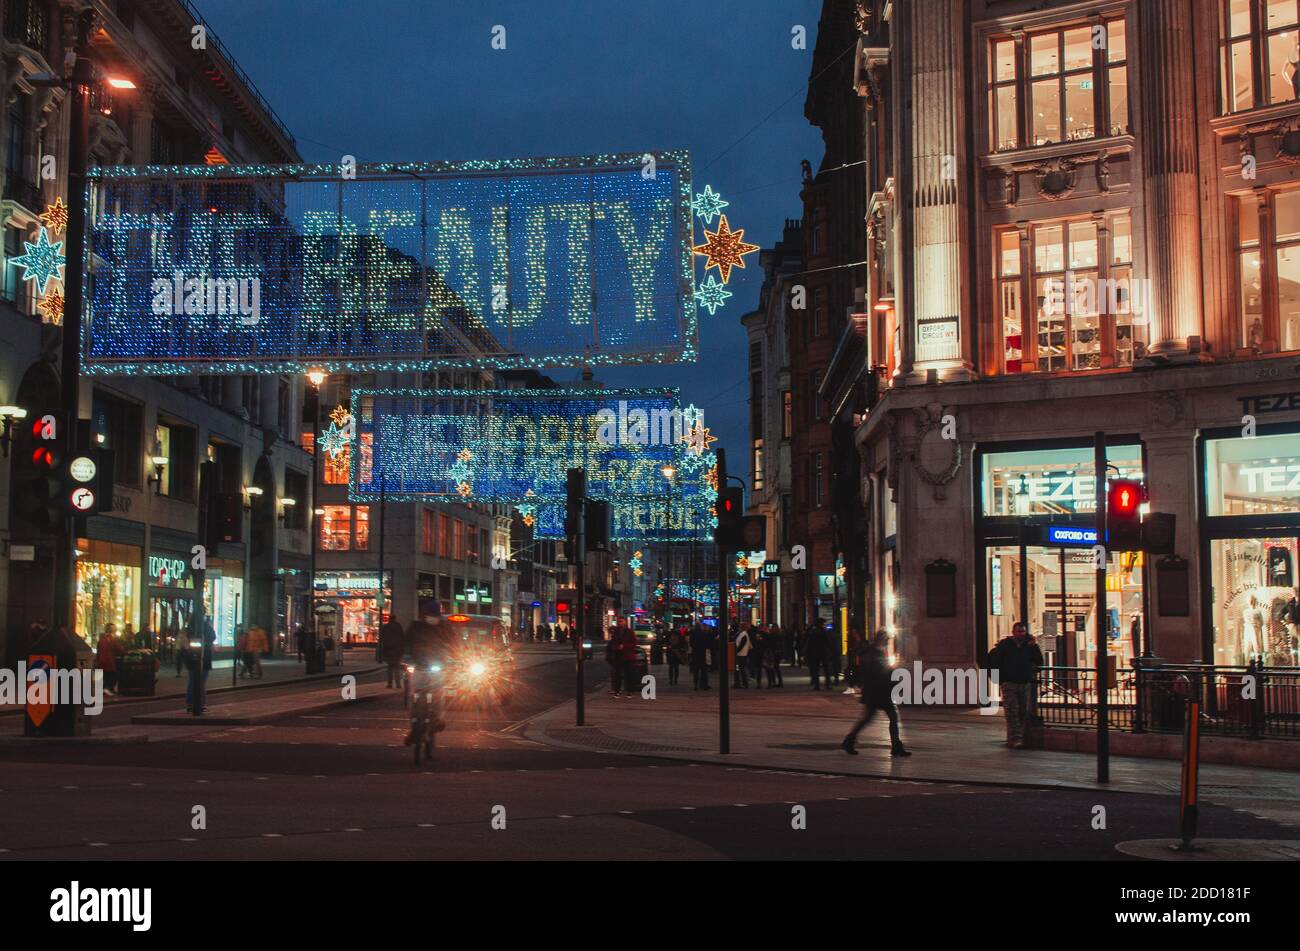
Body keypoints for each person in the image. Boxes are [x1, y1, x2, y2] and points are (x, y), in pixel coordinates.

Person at [841, 630, 910, 757]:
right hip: (877, 692)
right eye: (886, 641)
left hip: (875, 691)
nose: (888, 643)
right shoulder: (873, 654)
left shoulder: (873, 652)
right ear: (881, 640)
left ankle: (849, 740)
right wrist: (892, 672)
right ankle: (896, 747)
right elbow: (878, 673)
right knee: (890, 717)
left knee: (868, 719)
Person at [986, 621, 1043, 749]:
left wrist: (1035, 646)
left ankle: (1016, 738)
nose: (1021, 634)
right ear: (1013, 632)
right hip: (1009, 683)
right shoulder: (1004, 645)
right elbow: (994, 662)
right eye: (1019, 631)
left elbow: (1039, 661)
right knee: (1012, 711)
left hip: (1024, 682)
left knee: (1023, 711)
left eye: (1023, 631)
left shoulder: (1029, 646)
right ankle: (1016, 738)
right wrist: (1001, 680)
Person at [184, 620, 217, 713]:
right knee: (201, 683)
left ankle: (190, 703)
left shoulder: (190, 628)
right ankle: (201, 704)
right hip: (203, 660)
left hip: (192, 659)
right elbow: (212, 637)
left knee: (192, 681)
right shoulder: (205, 627)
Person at [96, 623, 124, 695]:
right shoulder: (111, 639)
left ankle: (105, 689)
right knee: (112, 676)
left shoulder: (102, 638)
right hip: (109, 661)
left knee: (106, 676)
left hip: (101, 661)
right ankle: (108, 689)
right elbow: (119, 649)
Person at [379, 613, 406, 688]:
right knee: (397, 667)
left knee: (390, 667)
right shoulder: (398, 626)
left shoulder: (386, 627)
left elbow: (381, 638)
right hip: (397, 650)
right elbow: (402, 638)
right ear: (395, 619)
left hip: (388, 650)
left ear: (389, 619)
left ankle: (390, 684)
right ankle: (398, 684)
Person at [804, 620, 829, 690]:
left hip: (815, 653)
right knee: (826, 669)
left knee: (816, 669)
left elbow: (809, 643)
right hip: (823, 652)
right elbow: (827, 642)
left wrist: (807, 652)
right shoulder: (824, 632)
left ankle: (817, 685)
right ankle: (827, 684)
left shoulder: (813, 632)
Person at [689, 623, 712, 690]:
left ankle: (695, 685)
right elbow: (707, 643)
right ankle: (703, 685)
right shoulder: (703, 634)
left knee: (696, 671)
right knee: (703, 670)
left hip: (695, 654)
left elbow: (691, 644)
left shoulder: (692, 634)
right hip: (702, 654)